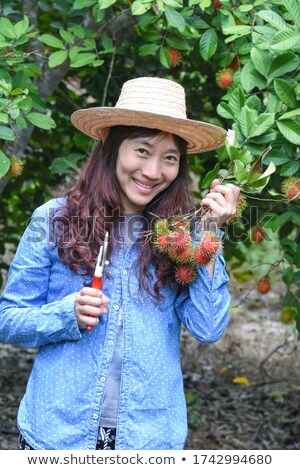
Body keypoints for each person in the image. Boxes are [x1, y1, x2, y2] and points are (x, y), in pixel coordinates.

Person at [0, 77, 240, 450]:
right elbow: (9, 318)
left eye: (170, 158)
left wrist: (208, 233)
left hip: (147, 440)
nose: (153, 171)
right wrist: (67, 314)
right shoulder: (53, 220)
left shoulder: (178, 236)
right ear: (112, 147)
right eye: (142, 150)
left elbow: (208, 328)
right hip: (57, 435)